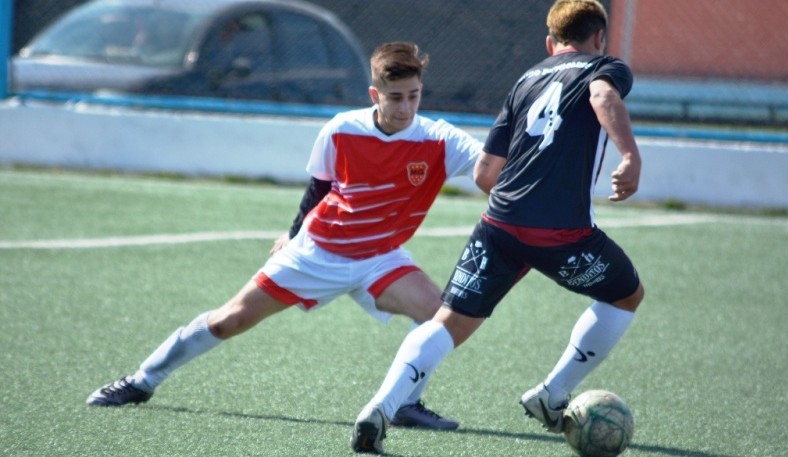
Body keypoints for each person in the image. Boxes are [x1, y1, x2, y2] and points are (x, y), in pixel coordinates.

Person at [86, 41, 485, 431]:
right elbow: (318, 191)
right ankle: (140, 381)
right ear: (373, 94)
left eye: (414, 96)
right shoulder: (342, 129)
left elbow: (489, 167)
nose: (405, 108)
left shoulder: (440, 138)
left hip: (380, 256)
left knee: (439, 318)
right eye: (395, 97)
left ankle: (404, 403)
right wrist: (293, 236)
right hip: (318, 252)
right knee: (229, 320)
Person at [350, 1, 645, 453]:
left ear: (550, 43)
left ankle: (380, 406)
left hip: (499, 222)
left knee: (448, 322)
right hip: (561, 231)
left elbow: (486, 174)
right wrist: (629, 156)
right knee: (626, 294)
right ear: (599, 37)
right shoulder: (605, 67)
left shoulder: (525, 79)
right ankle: (551, 394)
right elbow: (603, 97)